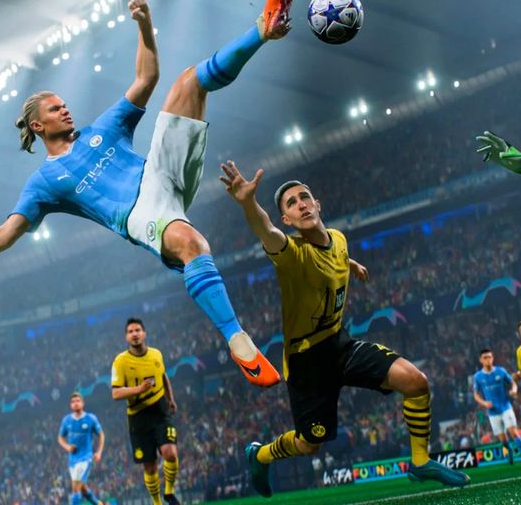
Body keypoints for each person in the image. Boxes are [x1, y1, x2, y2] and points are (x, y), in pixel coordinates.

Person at [0, 0, 297, 388]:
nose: (65, 109)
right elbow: (7, 233)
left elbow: (147, 78)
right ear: (38, 126)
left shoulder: (104, 128)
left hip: (160, 173)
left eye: (63, 104)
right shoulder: (45, 181)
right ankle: (237, 338)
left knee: (188, 82)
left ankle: (264, 26)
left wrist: (145, 27)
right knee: (192, 244)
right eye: (55, 108)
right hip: (138, 214)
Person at [217, 164, 470, 496]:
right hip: (306, 364)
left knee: (416, 382)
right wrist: (249, 204)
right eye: (291, 204)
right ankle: (260, 454)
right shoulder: (290, 254)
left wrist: (351, 263)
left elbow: (334, 254)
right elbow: (266, 231)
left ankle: (421, 462)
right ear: (287, 221)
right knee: (310, 444)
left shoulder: (338, 239)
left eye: (305, 197)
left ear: (318, 204)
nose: (301, 204)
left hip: (340, 344)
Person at [111, 318, 179, 505]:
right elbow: (115, 393)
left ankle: (169, 493)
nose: (134, 334)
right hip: (138, 417)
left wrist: (170, 398)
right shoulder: (120, 361)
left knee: (170, 452)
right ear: (126, 337)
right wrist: (138, 390)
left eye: (138, 330)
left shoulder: (156, 355)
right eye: (131, 331)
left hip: (159, 410)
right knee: (150, 466)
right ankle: (156, 502)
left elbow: (163, 376)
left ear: (144, 333)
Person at [472, 348, 521, 463]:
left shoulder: (501, 371)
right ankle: (509, 454)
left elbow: (513, 383)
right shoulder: (478, 377)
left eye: (490, 357)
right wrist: (484, 403)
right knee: (503, 439)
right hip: (492, 411)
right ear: (481, 360)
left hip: (505, 407)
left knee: (513, 432)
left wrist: (514, 390)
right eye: (485, 358)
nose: (488, 360)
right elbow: (476, 395)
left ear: (493, 358)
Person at [58, 392, 105, 505]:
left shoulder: (91, 418)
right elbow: (60, 437)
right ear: (70, 405)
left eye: (78, 401)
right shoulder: (67, 420)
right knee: (82, 488)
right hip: (72, 460)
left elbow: (101, 434)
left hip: (85, 458)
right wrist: (67, 446)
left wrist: (99, 452)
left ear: (83, 403)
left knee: (75, 488)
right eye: (73, 402)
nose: (75, 403)